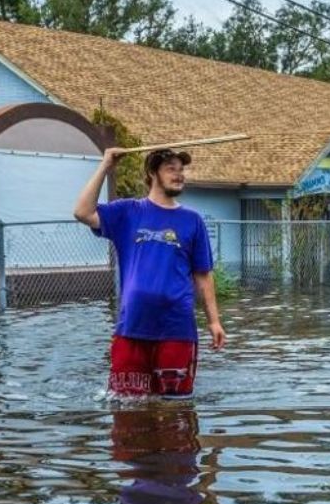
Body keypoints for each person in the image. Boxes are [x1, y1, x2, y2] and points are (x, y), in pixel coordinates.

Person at [74, 147, 225, 398]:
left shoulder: (193, 220)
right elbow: (82, 212)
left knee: (176, 409)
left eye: (181, 170)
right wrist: (105, 165)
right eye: (171, 169)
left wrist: (214, 321)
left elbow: (203, 274)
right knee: (126, 405)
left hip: (177, 328)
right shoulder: (127, 212)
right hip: (132, 325)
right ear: (153, 173)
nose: (179, 175)